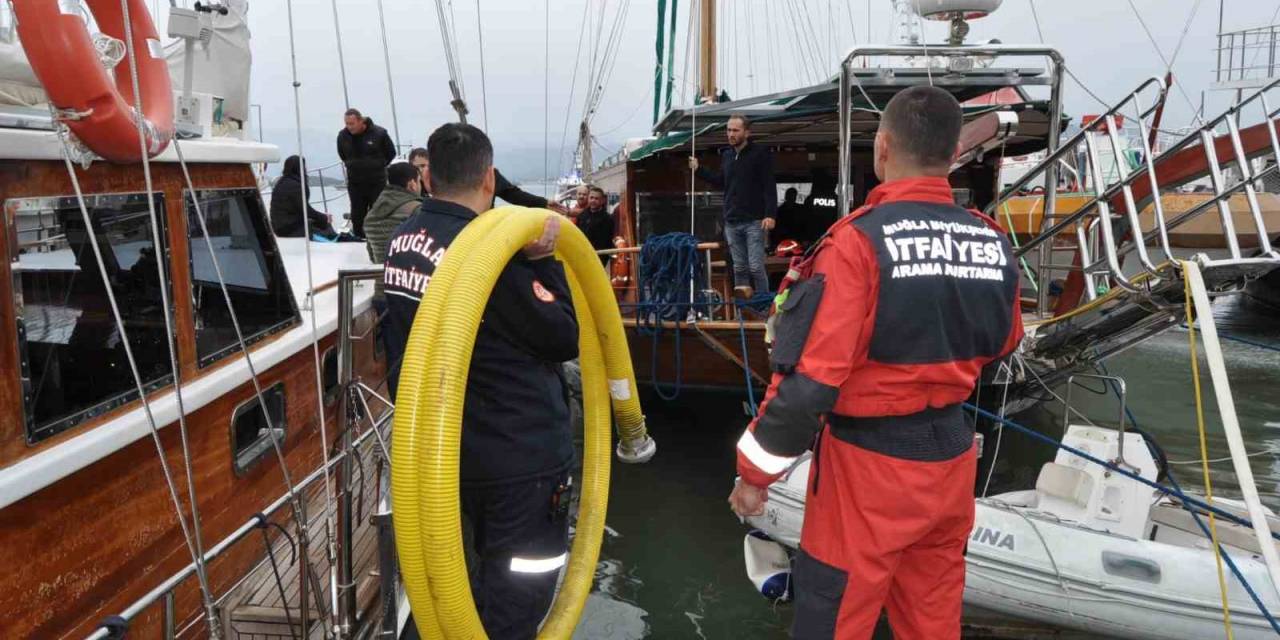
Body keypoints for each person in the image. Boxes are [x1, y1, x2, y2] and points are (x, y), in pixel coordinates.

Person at [727, 86, 1024, 639]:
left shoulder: (855, 244)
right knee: (932, 620)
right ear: (953, 151)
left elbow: (809, 385)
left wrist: (754, 478)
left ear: (882, 147)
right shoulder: (991, 240)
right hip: (952, 460)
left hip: (867, 472)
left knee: (834, 618)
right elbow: (1004, 342)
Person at [383, 123, 578, 639]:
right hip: (515, 460)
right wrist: (545, 263)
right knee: (515, 600)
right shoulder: (489, 254)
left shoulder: (403, 242)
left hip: (439, 456)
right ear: (489, 178)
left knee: (445, 590)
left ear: (428, 178)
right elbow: (561, 336)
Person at [689, 114, 776, 298]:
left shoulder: (760, 154)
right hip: (732, 221)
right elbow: (721, 180)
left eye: (735, 130)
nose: (731, 134)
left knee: (755, 266)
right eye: (728, 130)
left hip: (754, 220)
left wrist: (770, 215)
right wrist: (698, 170)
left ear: (747, 133)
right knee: (739, 267)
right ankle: (742, 307)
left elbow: (769, 186)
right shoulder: (727, 155)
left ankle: (764, 303)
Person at [412, 142, 564, 213]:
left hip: (482, 230)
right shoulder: (432, 181)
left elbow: (513, 194)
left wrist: (543, 202)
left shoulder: (489, 175)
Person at [337, 108, 397, 238]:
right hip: (355, 181)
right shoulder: (343, 136)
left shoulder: (379, 133)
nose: (349, 127)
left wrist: (379, 165)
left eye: (352, 124)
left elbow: (391, 152)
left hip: (376, 181)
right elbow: (342, 154)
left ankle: (379, 238)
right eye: (347, 124)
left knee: (378, 211)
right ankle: (359, 237)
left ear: (361, 121)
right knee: (357, 212)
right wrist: (351, 164)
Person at [364, 162, 423, 266]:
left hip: (380, 274)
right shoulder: (418, 210)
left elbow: (372, 257)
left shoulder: (371, 214)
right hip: (411, 273)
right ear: (412, 184)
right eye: (419, 181)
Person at [270, 155, 338, 239]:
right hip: (288, 228)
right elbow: (305, 209)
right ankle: (337, 240)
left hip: (280, 226)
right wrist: (324, 218)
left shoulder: (282, 182)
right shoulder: (296, 186)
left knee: (320, 222)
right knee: (325, 226)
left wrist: (321, 217)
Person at [575, 185, 615, 265]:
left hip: (599, 257)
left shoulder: (607, 219)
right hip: (582, 255)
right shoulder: (582, 216)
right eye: (591, 198)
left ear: (602, 201)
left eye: (596, 198)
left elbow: (606, 241)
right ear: (588, 199)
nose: (593, 200)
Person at [771, 187, 804, 252]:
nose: (791, 198)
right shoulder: (779, 211)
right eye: (790, 196)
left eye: (793, 196)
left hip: (796, 238)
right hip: (782, 239)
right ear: (786, 196)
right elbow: (776, 227)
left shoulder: (800, 210)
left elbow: (802, 224)